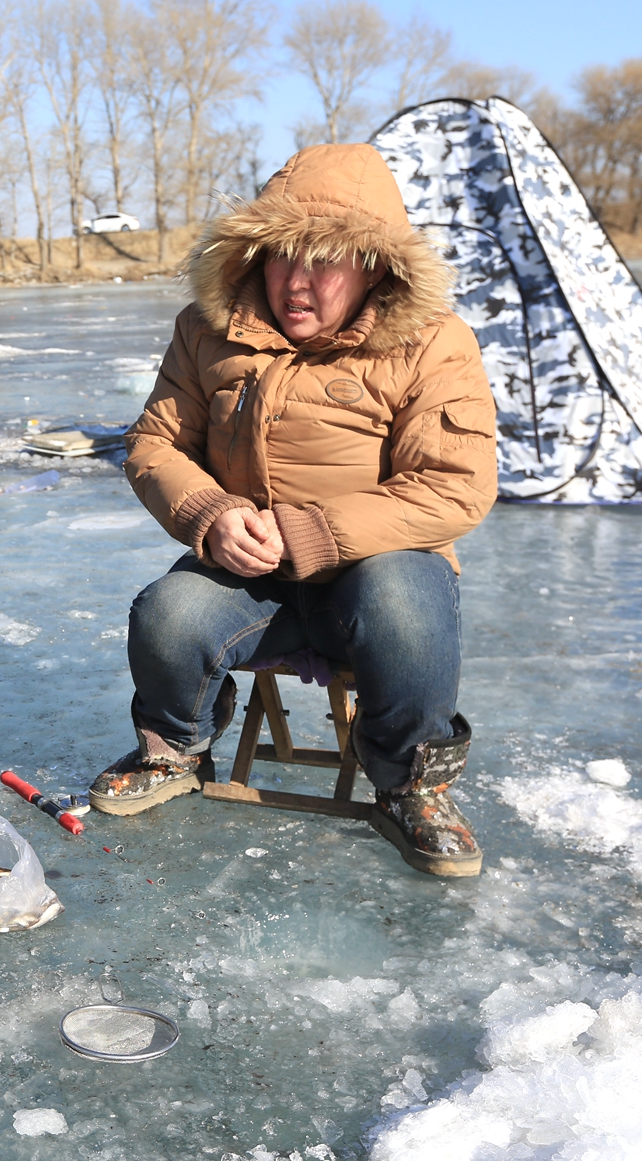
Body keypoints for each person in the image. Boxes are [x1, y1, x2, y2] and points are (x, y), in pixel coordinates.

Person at [85, 142, 497, 877]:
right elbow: (154, 444)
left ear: (375, 266)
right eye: (281, 257)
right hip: (251, 570)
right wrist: (209, 513)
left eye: (325, 261)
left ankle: (412, 782)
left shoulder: (435, 342)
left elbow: (453, 485)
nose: (295, 284)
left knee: (405, 609)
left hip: (376, 568)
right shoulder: (206, 330)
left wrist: (315, 532)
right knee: (167, 616)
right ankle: (172, 747)